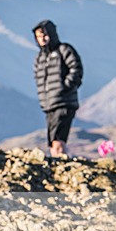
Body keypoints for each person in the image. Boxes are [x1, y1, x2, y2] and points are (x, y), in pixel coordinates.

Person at [32, 20, 83, 157]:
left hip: (64, 103)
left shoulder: (64, 50)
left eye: (44, 35)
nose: (42, 39)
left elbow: (76, 69)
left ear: (52, 34)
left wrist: (65, 87)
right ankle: (59, 164)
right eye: (38, 36)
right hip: (49, 105)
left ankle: (62, 164)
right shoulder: (40, 58)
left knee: (57, 138)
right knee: (52, 140)